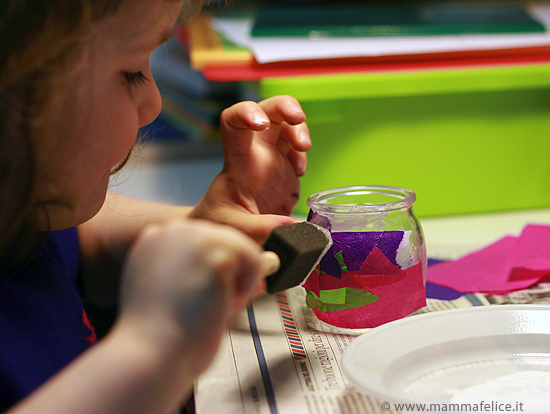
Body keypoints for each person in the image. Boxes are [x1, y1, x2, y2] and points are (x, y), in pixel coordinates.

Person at [0, 0, 311, 413]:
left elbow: (81, 240)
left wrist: (203, 227)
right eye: (132, 72)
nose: (154, 105)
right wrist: (152, 349)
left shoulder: (21, 214)